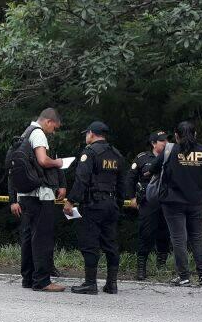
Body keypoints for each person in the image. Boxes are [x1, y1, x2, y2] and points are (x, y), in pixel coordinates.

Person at [8, 108, 67, 292]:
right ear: (48, 121)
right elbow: (43, 161)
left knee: (28, 237)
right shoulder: (39, 134)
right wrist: (59, 162)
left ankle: (28, 278)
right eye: (54, 127)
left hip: (25, 195)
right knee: (42, 238)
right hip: (40, 195)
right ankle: (42, 281)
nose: (54, 131)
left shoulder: (25, 134)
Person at [64, 121, 126, 294]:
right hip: (111, 205)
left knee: (90, 243)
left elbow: (81, 180)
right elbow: (122, 183)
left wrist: (71, 201)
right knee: (111, 243)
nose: (86, 136)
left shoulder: (89, 153)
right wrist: (118, 204)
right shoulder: (116, 154)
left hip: (92, 205)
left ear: (91, 133)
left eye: (86, 134)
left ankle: (90, 283)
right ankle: (112, 284)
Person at [153, 121, 202, 286]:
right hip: (196, 200)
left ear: (176, 135)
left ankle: (184, 276)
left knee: (178, 238)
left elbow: (153, 168)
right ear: (195, 135)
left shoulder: (170, 150)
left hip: (173, 201)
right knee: (196, 237)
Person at [125, 131, 171, 280]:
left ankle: (161, 267)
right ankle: (141, 267)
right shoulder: (142, 158)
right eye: (162, 140)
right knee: (146, 234)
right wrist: (132, 198)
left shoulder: (172, 157)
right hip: (148, 201)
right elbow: (130, 179)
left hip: (167, 201)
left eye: (167, 140)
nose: (165, 143)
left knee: (165, 234)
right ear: (153, 143)